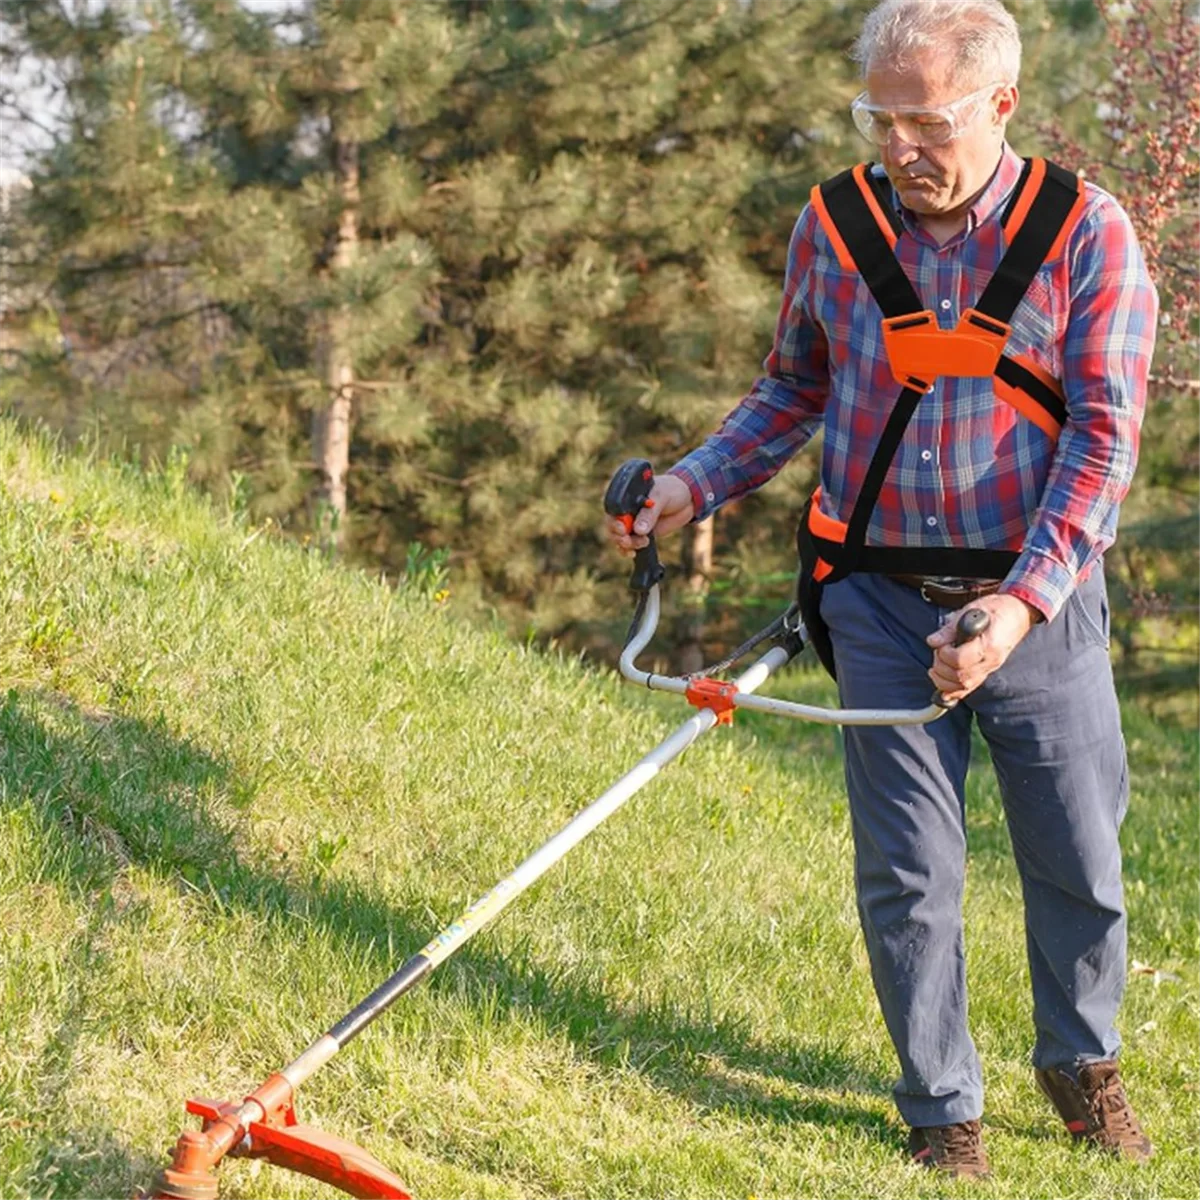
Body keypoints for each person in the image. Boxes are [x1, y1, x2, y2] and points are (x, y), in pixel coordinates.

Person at [604, 0, 1158, 1181]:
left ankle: (1081, 1062)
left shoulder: (1087, 235)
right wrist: (692, 488)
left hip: (1035, 601)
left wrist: (1015, 608)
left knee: (1077, 857)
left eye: (929, 121)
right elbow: (792, 388)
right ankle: (939, 1106)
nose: (901, 147)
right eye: (881, 117)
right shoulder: (837, 223)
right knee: (909, 870)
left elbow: (1104, 444)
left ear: (999, 104)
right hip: (876, 599)